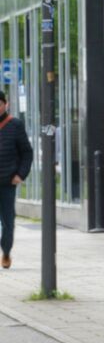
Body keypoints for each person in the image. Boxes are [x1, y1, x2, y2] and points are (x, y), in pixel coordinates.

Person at [0, 90, 32, 270]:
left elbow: (27, 153)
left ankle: (5, 251)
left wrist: (20, 174)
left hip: (7, 183)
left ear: (6, 104)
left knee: (8, 222)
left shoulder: (15, 125)